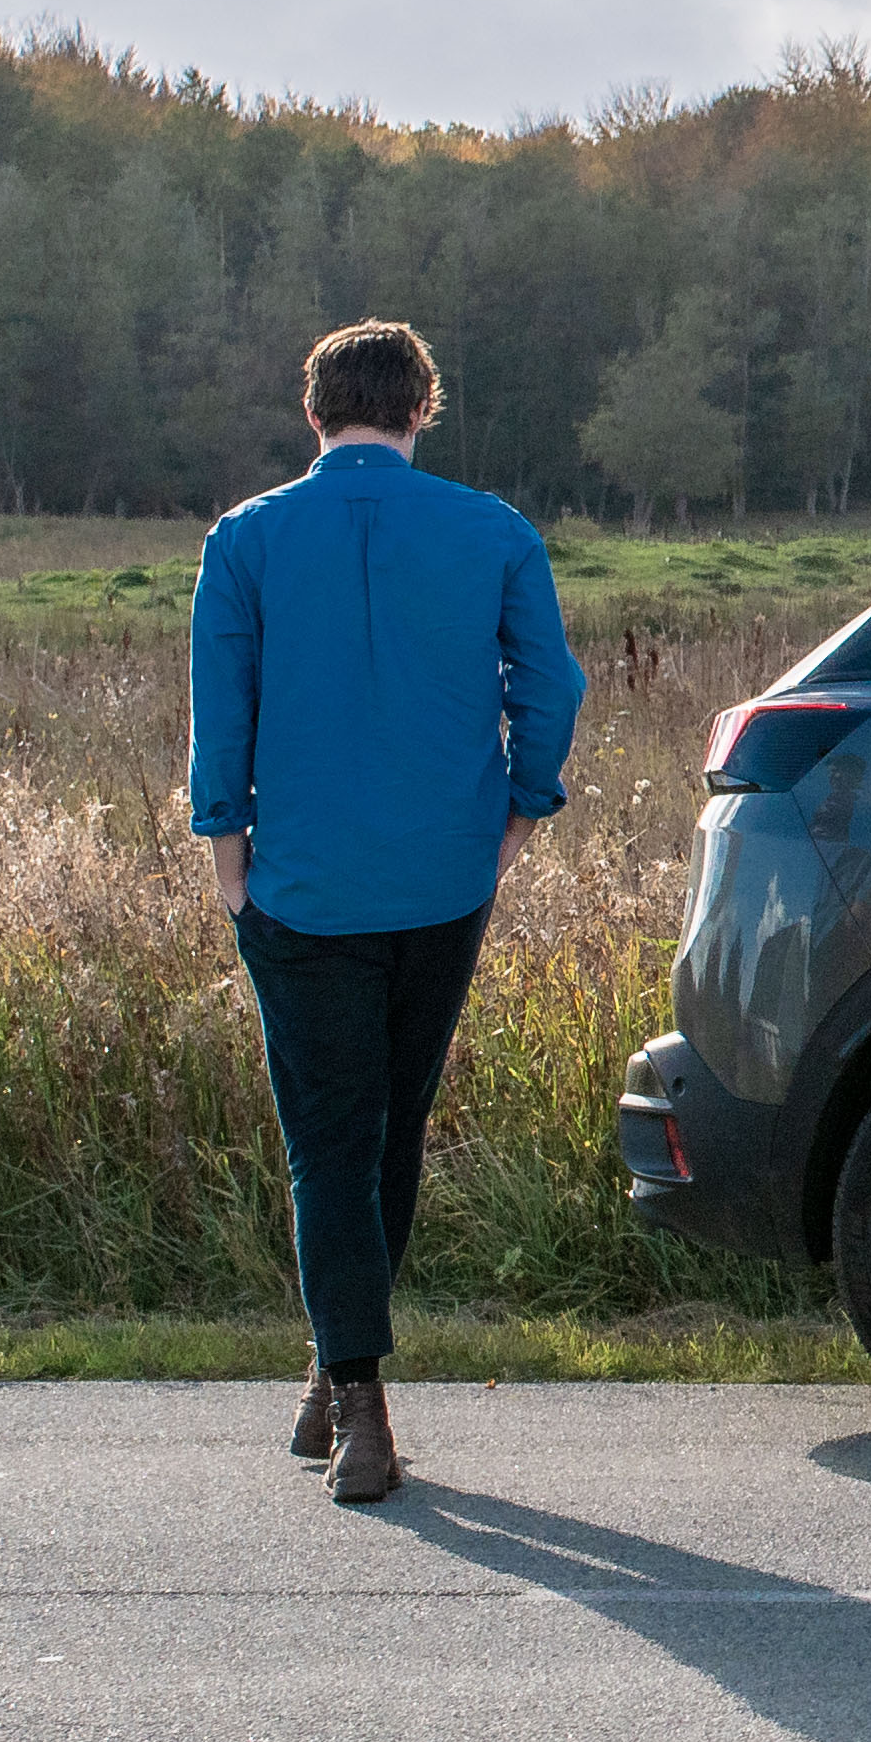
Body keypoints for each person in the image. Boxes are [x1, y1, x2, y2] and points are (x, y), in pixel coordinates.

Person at [186, 319, 585, 1509]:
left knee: (328, 1144)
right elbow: (550, 687)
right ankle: (337, 1374)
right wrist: (519, 815)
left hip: (302, 887)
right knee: (393, 1126)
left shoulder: (246, 538)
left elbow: (224, 708)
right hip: (441, 879)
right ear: (422, 411)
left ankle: (354, 1396)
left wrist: (227, 860)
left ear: (317, 415)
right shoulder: (494, 531)